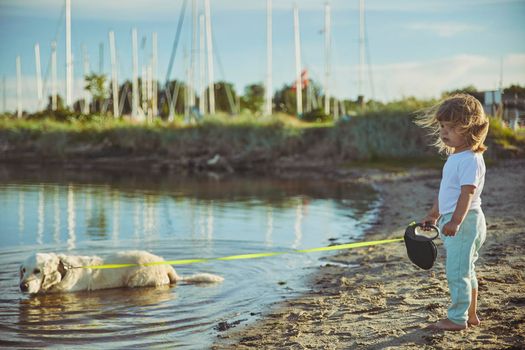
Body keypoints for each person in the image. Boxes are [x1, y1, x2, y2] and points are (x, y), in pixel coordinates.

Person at [416, 93, 490, 331]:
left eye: (451, 127)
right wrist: (434, 214)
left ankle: (457, 319)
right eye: (442, 126)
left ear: (470, 129)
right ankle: (471, 315)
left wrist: (456, 221)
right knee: (466, 268)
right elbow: (447, 192)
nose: (443, 132)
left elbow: (467, 193)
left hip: (466, 221)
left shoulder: (470, 159)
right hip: (460, 219)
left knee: (457, 272)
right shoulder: (456, 156)